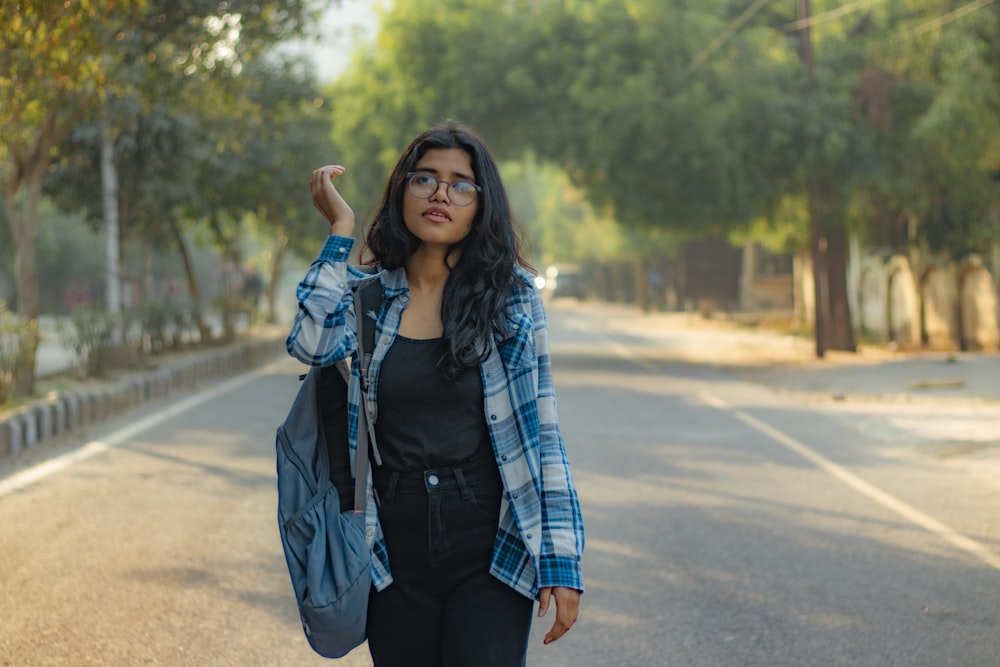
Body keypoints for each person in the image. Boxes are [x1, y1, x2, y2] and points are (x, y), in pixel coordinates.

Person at [286, 122, 585, 666]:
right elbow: (309, 342)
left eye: (461, 184)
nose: (442, 194)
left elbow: (543, 432)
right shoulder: (366, 298)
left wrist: (562, 563)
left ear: (480, 205)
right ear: (402, 190)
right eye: (425, 179)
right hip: (391, 551)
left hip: (489, 550)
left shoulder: (510, 301)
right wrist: (340, 229)